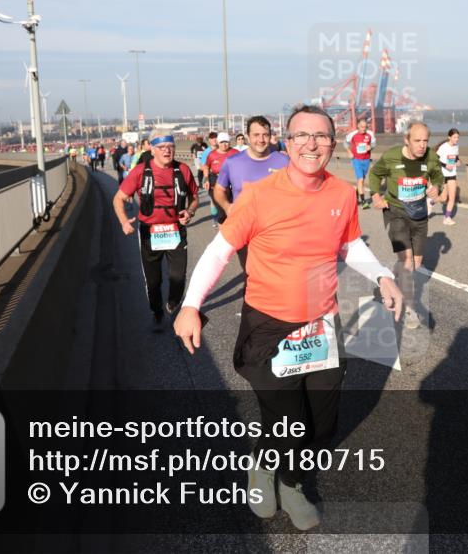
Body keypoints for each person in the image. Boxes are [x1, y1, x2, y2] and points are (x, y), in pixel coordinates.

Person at [174, 105, 404, 531]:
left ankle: (292, 480)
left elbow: (349, 243)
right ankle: (266, 468)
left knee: (321, 425)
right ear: (288, 142)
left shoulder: (340, 194)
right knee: (287, 421)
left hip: (321, 327)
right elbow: (219, 251)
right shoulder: (259, 195)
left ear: (332, 145)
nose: (311, 144)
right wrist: (190, 305)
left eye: (321, 136)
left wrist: (382, 275)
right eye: (302, 135)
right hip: (269, 326)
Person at [113, 131, 199, 325]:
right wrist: (124, 221)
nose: (167, 151)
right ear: (152, 150)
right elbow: (118, 198)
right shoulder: (140, 172)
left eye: (171, 147)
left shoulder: (183, 170)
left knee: (178, 277)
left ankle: (173, 303)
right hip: (149, 232)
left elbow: (194, 197)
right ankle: (156, 309)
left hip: (175, 230)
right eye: (161, 147)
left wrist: (190, 211)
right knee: (153, 281)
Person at [368, 121, 443, 331]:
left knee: (416, 263)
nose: (422, 145)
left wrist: (436, 187)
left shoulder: (431, 157)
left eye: (425, 141)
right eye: (417, 140)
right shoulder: (392, 156)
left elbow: (438, 176)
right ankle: (410, 309)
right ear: (406, 140)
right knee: (407, 261)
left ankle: (392, 280)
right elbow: (375, 174)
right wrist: (376, 196)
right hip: (396, 212)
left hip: (419, 214)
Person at [214, 116, 289, 269]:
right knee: (251, 273)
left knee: (277, 274)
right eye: (256, 135)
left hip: (276, 231)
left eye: (265, 135)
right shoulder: (233, 162)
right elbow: (219, 190)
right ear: (248, 137)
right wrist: (228, 207)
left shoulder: (284, 161)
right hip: (245, 230)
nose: (261, 140)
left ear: (270, 136)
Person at [204, 133, 237, 227]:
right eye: (222, 142)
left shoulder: (235, 153)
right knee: (221, 211)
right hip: (215, 180)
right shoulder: (212, 154)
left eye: (226, 142)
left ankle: (232, 231)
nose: (224, 144)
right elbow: (206, 167)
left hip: (231, 181)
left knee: (232, 209)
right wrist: (206, 179)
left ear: (230, 142)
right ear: (218, 143)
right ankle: (222, 232)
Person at [344, 116, 376, 209]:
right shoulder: (352, 134)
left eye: (365, 127)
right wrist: (349, 152)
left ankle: (355, 195)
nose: (363, 129)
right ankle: (363, 202)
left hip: (366, 159)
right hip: (356, 159)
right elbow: (345, 143)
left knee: (361, 180)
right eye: (362, 127)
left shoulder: (370, 134)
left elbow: (374, 144)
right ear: (358, 126)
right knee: (361, 179)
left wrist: (370, 147)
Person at [435, 128, 462, 225]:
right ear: (449, 137)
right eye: (454, 137)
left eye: (457, 137)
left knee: (452, 197)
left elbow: (456, 157)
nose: (456, 139)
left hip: (452, 174)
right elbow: (435, 160)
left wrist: (458, 161)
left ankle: (447, 218)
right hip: (443, 174)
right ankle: (432, 201)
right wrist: (445, 165)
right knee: (443, 198)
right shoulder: (443, 147)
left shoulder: (456, 146)